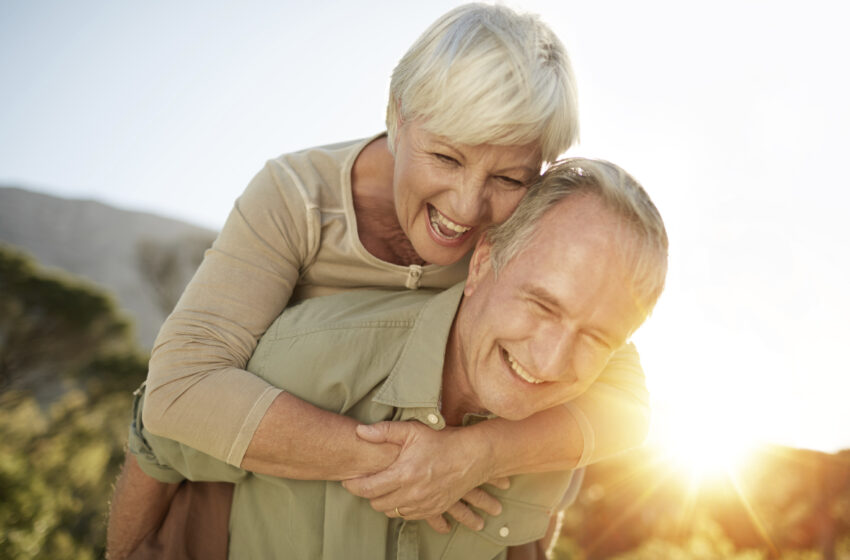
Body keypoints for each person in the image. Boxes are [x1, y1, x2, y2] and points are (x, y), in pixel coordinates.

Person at [107, 3, 650, 557]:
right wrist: (403, 464)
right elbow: (178, 391)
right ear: (397, 113)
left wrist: (479, 455)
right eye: (445, 157)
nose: (467, 207)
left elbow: (626, 404)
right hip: (277, 503)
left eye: (509, 176)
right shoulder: (295, 198)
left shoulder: (528, 227)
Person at [122, 158, 668, 559]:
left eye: (595, 337)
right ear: (482, 263)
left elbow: (531, 534)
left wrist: (483, 455)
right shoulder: (307, 356)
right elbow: (158, 441)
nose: (550, 362)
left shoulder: (570, 425)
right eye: (541, 305)